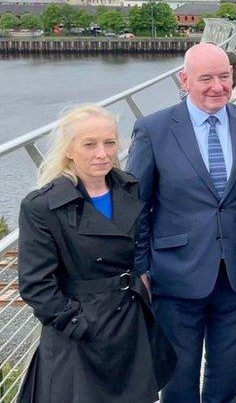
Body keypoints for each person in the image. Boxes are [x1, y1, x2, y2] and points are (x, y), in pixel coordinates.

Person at [127, 42, 236, 403]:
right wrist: (142, 267)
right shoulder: (154, 129)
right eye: (205, 78)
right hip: (174, 275)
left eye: (224, 77)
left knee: (227, 381)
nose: (217, 86)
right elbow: (136, 206)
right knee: (177, 383)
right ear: (185, 79)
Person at [17, 105, 175, 403]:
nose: (102, 153)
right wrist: (78, 324)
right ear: (69, 150)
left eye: (109, 143)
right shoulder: (41, 206)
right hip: (79, 332)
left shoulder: (129, 187)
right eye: (89, 144)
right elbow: (36, 284)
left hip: (128, 319)